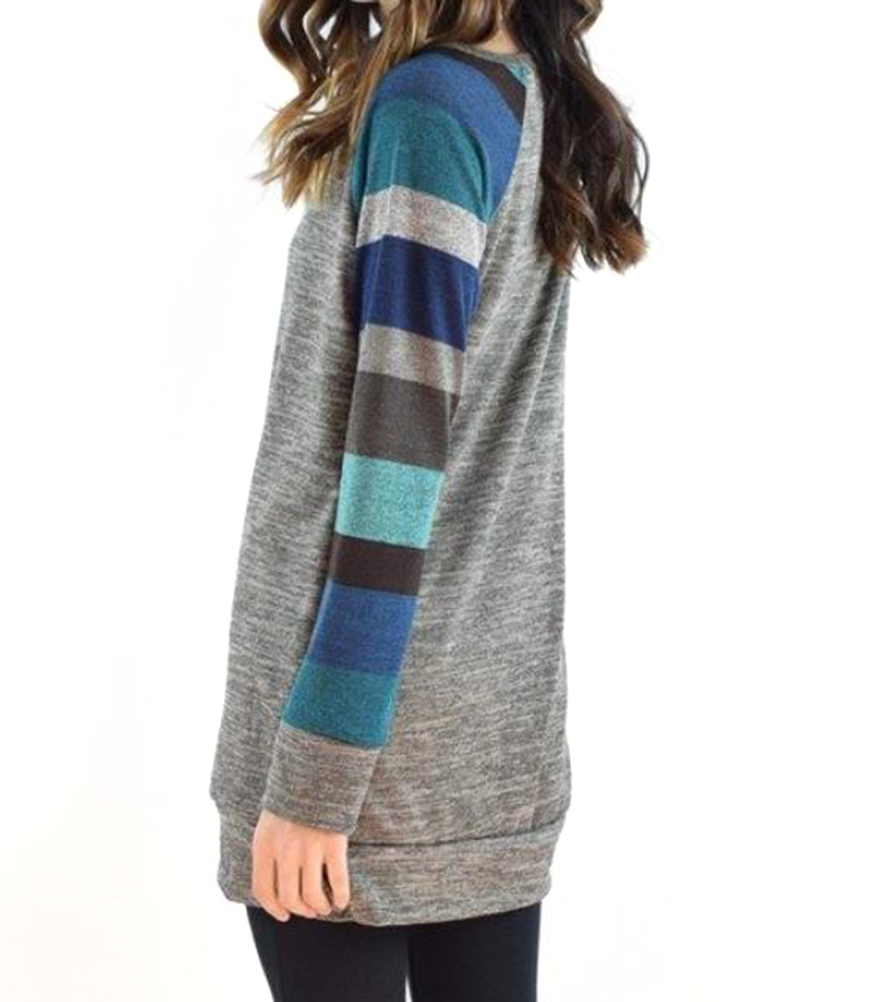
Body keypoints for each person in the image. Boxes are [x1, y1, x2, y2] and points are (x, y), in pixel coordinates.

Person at [209, 1, 648, 998]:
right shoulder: (519, 88)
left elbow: (395, 472)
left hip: (364, 757)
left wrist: (317, 775)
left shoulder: (429, 109)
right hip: (488, 736)